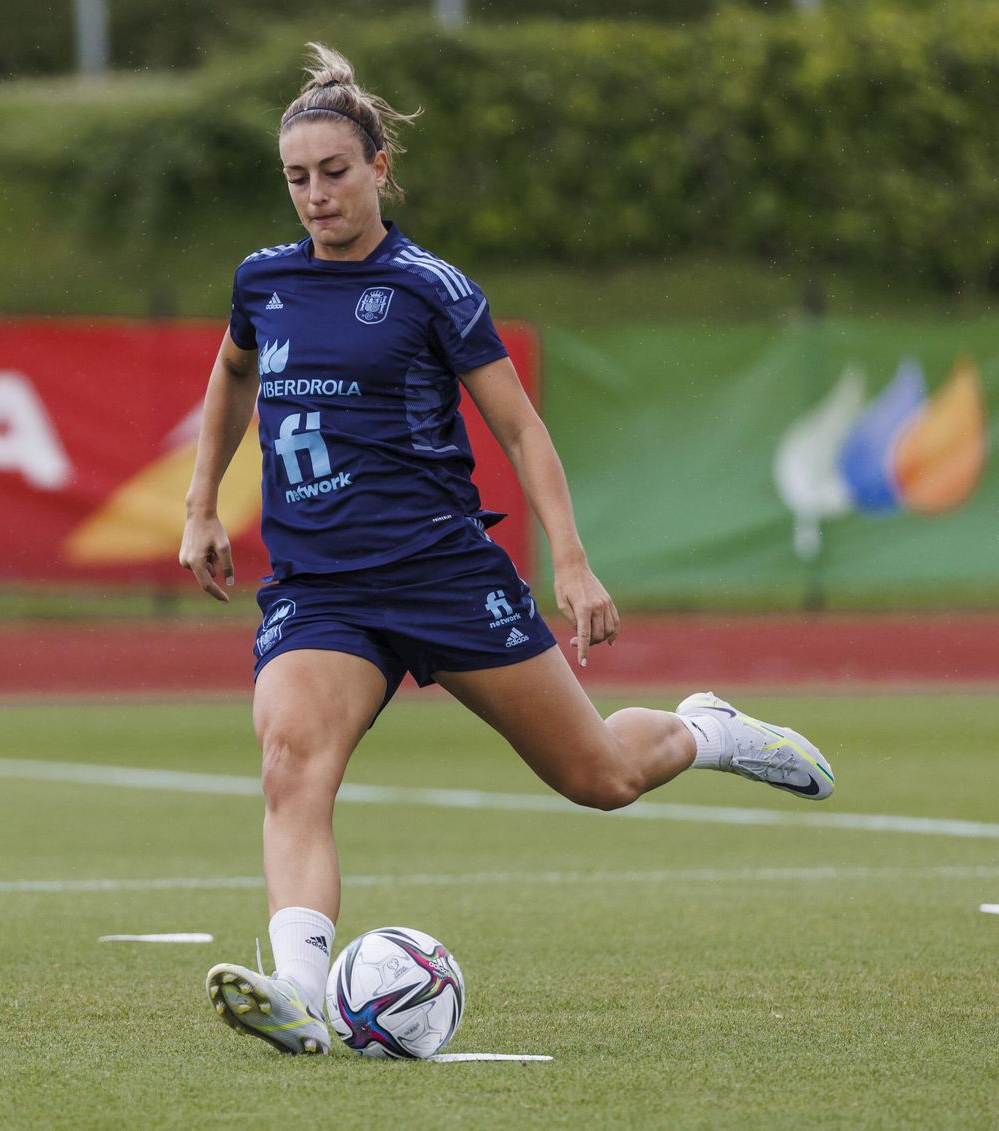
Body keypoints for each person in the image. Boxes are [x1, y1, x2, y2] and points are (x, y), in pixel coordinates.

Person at [178, 43, 834, 1056]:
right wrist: (201, 506)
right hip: (321, 590)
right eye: (296, 178)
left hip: (442, 575)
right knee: (289, 761)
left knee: (599, 777)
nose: (315, 196)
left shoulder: (430, 288)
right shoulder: (263, 282)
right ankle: (299, 992)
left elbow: (522, 431)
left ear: (379, 167)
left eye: (334, 172)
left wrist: (570, 561)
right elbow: (232, 372)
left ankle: (705, 729)